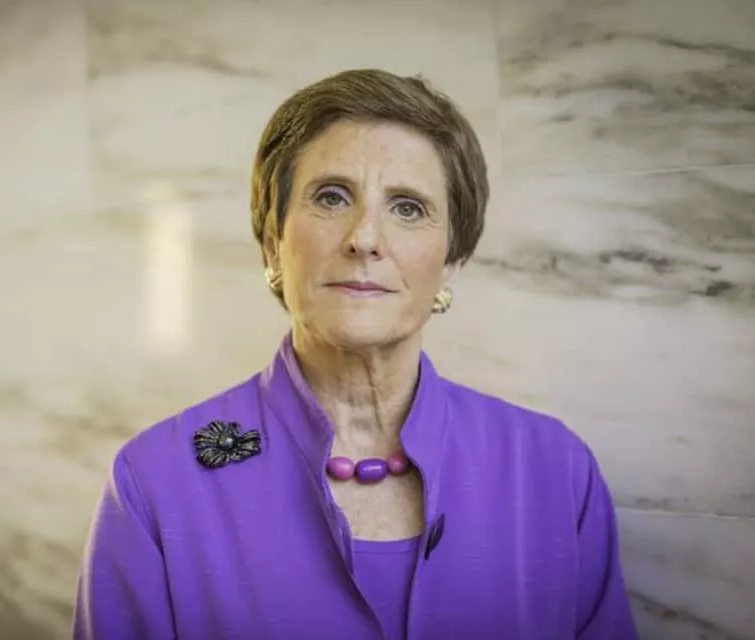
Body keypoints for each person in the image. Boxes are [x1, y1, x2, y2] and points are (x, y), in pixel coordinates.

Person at [72, 69, 639, 639]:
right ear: (272, 244)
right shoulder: (154, 483)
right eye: (331, 197)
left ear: (451, 261)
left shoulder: (557, 473)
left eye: (408, 208)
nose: (365, 238)